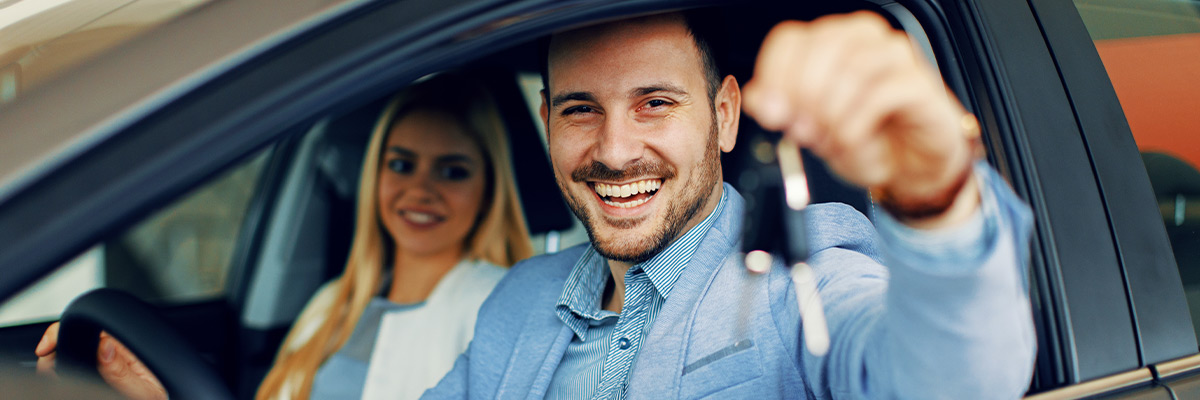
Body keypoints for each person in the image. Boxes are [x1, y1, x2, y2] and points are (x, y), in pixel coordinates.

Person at [422, 10, 1034, 400]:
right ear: (546, 122)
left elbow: (954, 384)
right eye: (580, 109)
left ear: (724, 116)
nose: (614, 150)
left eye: (655, 103)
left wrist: (936, 198)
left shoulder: (803, 270)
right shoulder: (517, 300)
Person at [34, 72, 535, 400]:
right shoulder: (330, 305)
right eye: (401, 164)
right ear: (374, 176)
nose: (420, 190)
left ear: (490, 190)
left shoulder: (498, 305)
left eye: (452, 171)